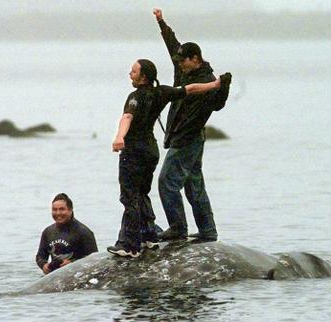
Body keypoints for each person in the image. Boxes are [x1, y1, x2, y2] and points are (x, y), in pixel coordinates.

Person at [107, 59, 226, 258]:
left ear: (143, 76)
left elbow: (127, 116)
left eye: (134, 71)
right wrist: (214, 85)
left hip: (134, 151)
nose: (130, 74)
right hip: (151, 150)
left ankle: (129, 245)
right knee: (143, 192)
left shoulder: (135, 97)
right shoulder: (161, 92)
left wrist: (120, 136)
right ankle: (149, 237)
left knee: (129, 196)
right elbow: (190, 89)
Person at [153, 8, 232, 242]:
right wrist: (161, 22)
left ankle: (177, 227)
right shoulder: (182, 66)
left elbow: (217, 106)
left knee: (167, 181)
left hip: (188, 139)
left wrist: (224, 87)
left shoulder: (208, 81)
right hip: (186, 138)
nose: (180, 65)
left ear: (195, 59)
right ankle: (208, 231)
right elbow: (172, 43)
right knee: (194, 185)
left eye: (183, 62)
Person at [36, 193, 98, 274]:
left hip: (78, 276)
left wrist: (72, 264)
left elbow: (94, 261)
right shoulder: (48, 232)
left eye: (62, 209)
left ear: (70, 210)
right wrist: (44, 265)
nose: (58, 213)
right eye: (54, 209)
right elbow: (40, 257)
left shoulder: (84, 232)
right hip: (55, 277)